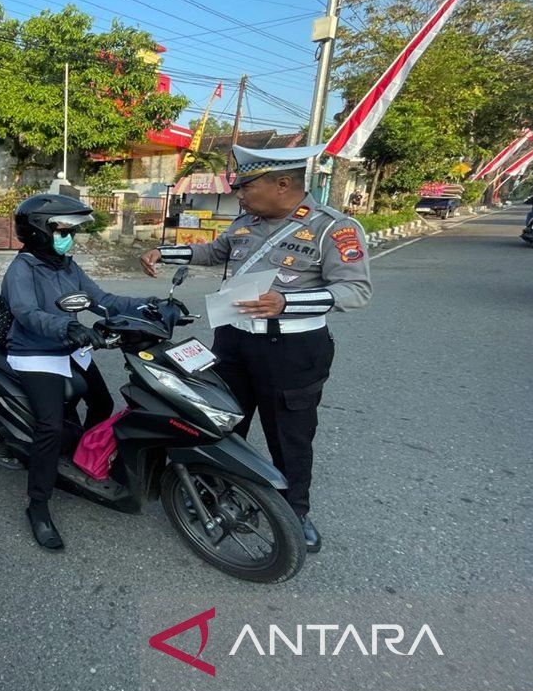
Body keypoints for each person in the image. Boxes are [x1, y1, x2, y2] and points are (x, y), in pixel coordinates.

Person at [140, 144, 372, 553]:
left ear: (282, 184)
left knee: (290, 435)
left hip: (293, 348)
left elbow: (356, 290)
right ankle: (216, 494)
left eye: (246, 187)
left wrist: (286, 302)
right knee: (223, 421)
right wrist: (165, 251)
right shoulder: (247, 222)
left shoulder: (333, 228)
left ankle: (293, 511)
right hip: (233, 340)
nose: (240, 195)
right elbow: (215, 252)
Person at [1, 194, 154, 551]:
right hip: (36, 352)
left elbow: (103, 300)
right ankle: (37, 507)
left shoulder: (66, 265)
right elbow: (25, 312)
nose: (70, 236)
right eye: (63, 229)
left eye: (71, 230)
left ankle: (76, 458)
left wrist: (150, 304)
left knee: (102, 402)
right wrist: (65, 328)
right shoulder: (21, 269)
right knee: (49, 427)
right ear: (39, 230)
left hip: (70, 346)